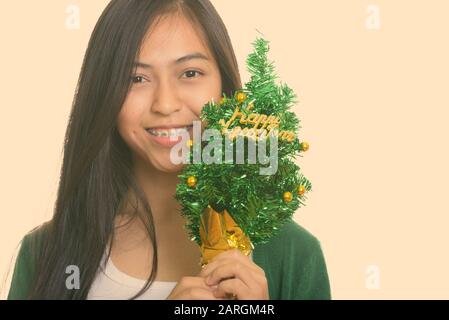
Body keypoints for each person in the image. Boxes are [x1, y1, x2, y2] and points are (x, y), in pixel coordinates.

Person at [7, 0, 331, 300]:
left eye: (190, 73)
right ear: (105, 93)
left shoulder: (293, 255)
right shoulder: (45, 254)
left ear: (224, 86)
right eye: (136, 77)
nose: (165, 104)